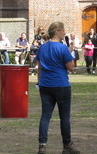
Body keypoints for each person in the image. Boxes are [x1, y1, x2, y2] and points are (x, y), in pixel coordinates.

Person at [36, 21, 80, 154]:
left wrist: (39, 82)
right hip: (61, 84)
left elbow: (39, 68)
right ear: (57, 31)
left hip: (45, 85)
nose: (64, 33)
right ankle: (67, 145)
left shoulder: (42, 48)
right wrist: (70, 52)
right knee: (64, 117)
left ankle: (42, 145)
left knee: (45, 116)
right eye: (63, 30)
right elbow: (71, 68)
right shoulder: (62, 48)